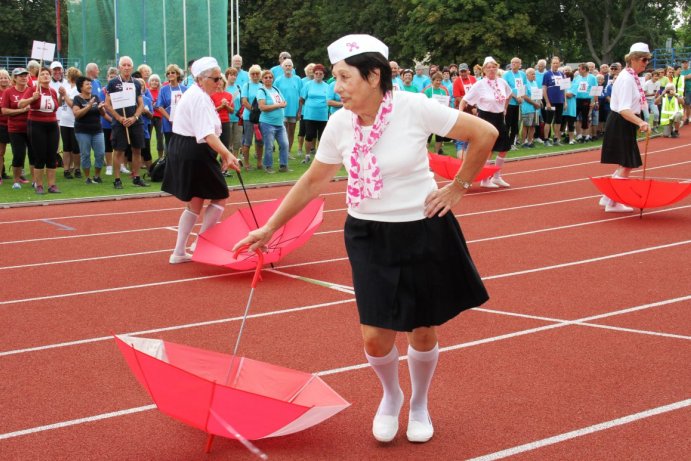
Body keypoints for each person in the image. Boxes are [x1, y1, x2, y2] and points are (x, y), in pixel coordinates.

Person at [233, 34, 493, 445]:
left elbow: (484, 133)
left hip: (422, 227)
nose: (336, 86)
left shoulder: (414, 108)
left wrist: (457, 186)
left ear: (374, 76)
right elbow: (314, 179)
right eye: (334, 77)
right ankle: (392, 396)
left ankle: (420, 403)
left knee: (422, 330)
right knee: (375, 334)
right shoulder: (340, 123)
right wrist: (270, 228)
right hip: (367, 234)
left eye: (343, 77)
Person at [162, 57, 241, 264]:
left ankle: (179, 252)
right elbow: (207, 134)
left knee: (195, 203)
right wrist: (227, 154)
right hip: (194, 150)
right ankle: (202, 242)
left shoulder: (197, 94)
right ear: (200, 79)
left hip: (185, 148)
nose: (219, 82)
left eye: (220, 78)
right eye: (215, 78)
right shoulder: (199, 98)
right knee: (220, 195)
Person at [599, 42, 651, 213]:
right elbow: (624, 109)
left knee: (625, 162)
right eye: (644, 59)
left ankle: (609, 198)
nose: (646, 63)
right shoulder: (627, 78)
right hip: (622, 121)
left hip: (624, 122)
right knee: (627, 163)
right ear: (634, 59)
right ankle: (613, 202)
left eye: (647, 60)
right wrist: (641, 122)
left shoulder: (631, 77)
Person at [461, 56, 512, 188]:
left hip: (499, 117)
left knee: (504, 148)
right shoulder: (479, 84)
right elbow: (464, 100)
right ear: (484, 70)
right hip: (486, 118)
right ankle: (485, 179)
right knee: (488, 150)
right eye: (488, 67)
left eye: (494, 67)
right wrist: (460, 114)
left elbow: (509, 94)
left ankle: (496, 176)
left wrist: (505, 108)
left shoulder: (502, 82)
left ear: (497, 68)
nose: (491, 69)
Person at [104, 56, 149, 189]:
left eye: (129, 65)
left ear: (132, 67)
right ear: (119, 67)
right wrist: (119, 118)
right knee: (119, 151)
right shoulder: (113, 83)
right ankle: (117, 180)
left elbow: (141, 104)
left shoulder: (136, 83)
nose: (126, 67)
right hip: (120, 122)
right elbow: (107, 104)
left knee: (137, 149)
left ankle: (136, 177)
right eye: (124, 65)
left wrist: (134, 117)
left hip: (135, 121)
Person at [19, 66, 60, 194]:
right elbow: (20, 104)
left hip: (52, 125)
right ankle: (39, 185)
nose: (46, 76)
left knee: (52, 157)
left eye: (47, 74)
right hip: (37, 125)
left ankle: (52, 185)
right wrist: (32, 98)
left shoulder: (53, 91)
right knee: (40, 156)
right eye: (42, 74)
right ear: (38, 77)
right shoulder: (33, 89)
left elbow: (55, 108)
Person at [1, 68, 34, 189]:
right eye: (20, 76)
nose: (23, 77)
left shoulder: (32, 91)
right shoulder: (8, 92)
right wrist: (22, 110)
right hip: (15, 128)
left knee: (33, 154)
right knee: (18, 155)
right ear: (14, 78)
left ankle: (35, 180)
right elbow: (4, 111)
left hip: (32, 127)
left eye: (25, 75)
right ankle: (16, 180)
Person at [72, 75, 106, 184]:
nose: (90, 86)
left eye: (90, 84)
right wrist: (88, 106)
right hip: (82, 131)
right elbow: (76, 114)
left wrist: (101, 109)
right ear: (81, 87)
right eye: (87, 84)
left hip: (97, 130)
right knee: (85, 154)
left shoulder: (96, 97)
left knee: (100, 154)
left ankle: (97, 176)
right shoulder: (77, 99)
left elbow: (103, 114)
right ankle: (87, 177)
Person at [257, 69, 290, 173]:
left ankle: (283, 165)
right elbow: (262, 107)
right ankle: (268, 166)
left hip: (280, 123)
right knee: (269, 146)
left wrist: (282, 104)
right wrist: (278, 105)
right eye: (266, 77)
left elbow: (284, 102)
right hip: (267, 123)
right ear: (262, 79)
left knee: (285, 144)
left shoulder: (276, 89)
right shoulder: (261, 91)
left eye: (270, 77)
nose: (268, 79)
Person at [300, 63, 330, 164]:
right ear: (313, 74)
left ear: (323, 75)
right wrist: (308, 106)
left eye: (320, 73)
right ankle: (307, 155)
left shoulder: (327, 86)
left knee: (321, 137)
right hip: (310, 114)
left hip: (323, 115)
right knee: (309, 135)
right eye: (316, 73)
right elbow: (302, 99)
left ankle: (319, 157)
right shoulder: (308, 85)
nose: (318, 75)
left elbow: (329, 100)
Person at [156, 64, 187, 153]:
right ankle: (169, 165)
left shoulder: (185, 89)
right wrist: (170, 119)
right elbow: (160, 106)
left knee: (182, 145)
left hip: (182, 121)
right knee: (170, 145)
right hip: (168, 121)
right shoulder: (163, 89)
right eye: (168, 73)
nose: (170, 74)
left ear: (177, 74)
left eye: (173, 72)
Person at [274, 58, 302, 155]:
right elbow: (274, 95)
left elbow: (301, 96)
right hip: (282, 110)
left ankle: (288, 151)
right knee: (283, 131)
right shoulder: (278, 80)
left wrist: (299, 111)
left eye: (289, 65)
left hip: (294, 110)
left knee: (291, 131)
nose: (288, 67)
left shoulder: (298, 79)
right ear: (283, 67)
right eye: (286, 65)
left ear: (292, 67)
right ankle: (283, 150)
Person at [240, 65, 264, 170]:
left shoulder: (262, 86)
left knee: (260, 140)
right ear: (250, 75)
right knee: (247, 141)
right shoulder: (247, 86)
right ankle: (246, 163)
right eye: (253, 73)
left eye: (257, 73)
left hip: (261, 118)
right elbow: (244, 101)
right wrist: (254, 110)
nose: (255, 75)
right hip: (248, 117)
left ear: (260, 75)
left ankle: (259, 162)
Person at [423, 72, 452, 154]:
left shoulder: (443, 91)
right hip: (430, 117)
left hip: (440, 117)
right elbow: (424, 103)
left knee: (439, 136)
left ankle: (436, 154)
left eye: (440, 80)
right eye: (437, 80)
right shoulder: (428, 91)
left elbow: (446, 104)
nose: (438, 82)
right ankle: (425, 154)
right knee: (428, 136)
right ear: (432, 81)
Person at [503, 57, 528, 148]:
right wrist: (515, 96)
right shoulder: (506, 75)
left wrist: (521, 97)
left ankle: (512, 143)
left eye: (516, 62)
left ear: (519, 64)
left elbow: (524, 86)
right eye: (512, 62)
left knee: (515, 124)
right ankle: (505, 143)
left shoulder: (522, 74)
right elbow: (506, 88)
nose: (513, 64)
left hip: (519, 103)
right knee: (507, 123)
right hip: (509, 102)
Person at [542, 56, 567, 146]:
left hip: (560, 101)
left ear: (559, 64)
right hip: (551, 101)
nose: (555, 65)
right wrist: (547, 102)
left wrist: (565, 101)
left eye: (557, 63)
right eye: (554, 63)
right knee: (548, 120)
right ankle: (546, 139)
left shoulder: (562, 74)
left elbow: (564, 89)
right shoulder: (547, 74)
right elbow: (544, 89)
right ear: (551, 64)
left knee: (558, 121)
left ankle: (556, 139)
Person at [224, 67, 244, 166]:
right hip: (227, 118)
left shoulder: (239, 88)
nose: (233, 77)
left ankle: (235, 159)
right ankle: (227, 159)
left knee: (237, 140)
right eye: (231, 75)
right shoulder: (224, 88)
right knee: (228, 140)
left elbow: (242, 102)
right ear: (227, 76)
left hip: (238, 118)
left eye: (235, 75)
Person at [520, 68, 542, 147]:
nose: (534, 75)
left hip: (535, 109)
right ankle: (523, 142)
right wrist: (534, 103)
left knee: (533, 126)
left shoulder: (535, 83)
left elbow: (537, 94)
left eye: (534, 74)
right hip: (527, 108)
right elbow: (524, 96)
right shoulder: (525, 84)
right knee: (526, 126)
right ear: (527, 75)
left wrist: (539, 102)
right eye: (532, 74)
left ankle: (530, 141)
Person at [147, 74, 164, 159]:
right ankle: (146, 159)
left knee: (160, 139)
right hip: (149, 117)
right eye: (153, 80)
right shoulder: (147, 92)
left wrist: (155, 105)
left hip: (159, 117)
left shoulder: (161, 92)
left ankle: (160, 158)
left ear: (159, 82)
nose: (154, 82)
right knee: (147, 138)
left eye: (156, 80)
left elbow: (162, 105)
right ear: (149, 82)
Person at [0, 69, 12, 184]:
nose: (3, 80)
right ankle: (0, 175)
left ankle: (20, 174)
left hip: (14, 124)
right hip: (1, 125)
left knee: (19, 151)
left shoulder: (12, 91)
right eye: (1, 78)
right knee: (1, 152)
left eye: (5, 77)